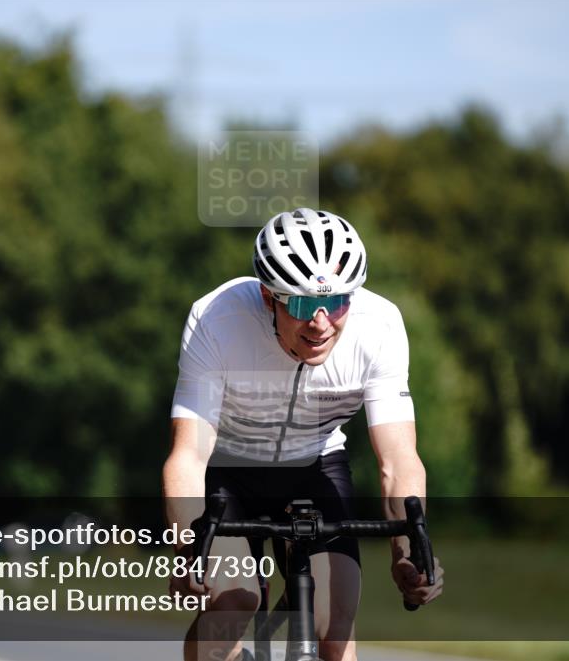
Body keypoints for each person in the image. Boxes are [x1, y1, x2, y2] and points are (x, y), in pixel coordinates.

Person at [163, 208, 444, 661]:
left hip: (316, 466)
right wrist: (185, 549)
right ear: (267, 296)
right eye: (299, 304)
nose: (319, 323)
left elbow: (398, 459)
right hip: (230, 471)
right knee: (234, 602)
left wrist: (408, 551)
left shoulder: (381, 326)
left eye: (336, 304)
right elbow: (188, 456)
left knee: (334, 632)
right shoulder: (216, 318)